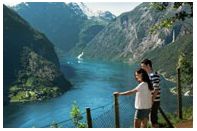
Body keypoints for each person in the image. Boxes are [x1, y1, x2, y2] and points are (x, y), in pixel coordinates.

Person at [141, 59, 160, 128]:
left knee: (153, 120)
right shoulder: (148, 76)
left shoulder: (154, 75)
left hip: (154, 101)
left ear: (148, 65)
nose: (142, 68)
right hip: (149, 101)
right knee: (148, 120)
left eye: (143, 66)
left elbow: (156, 89)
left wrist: (151, 101)